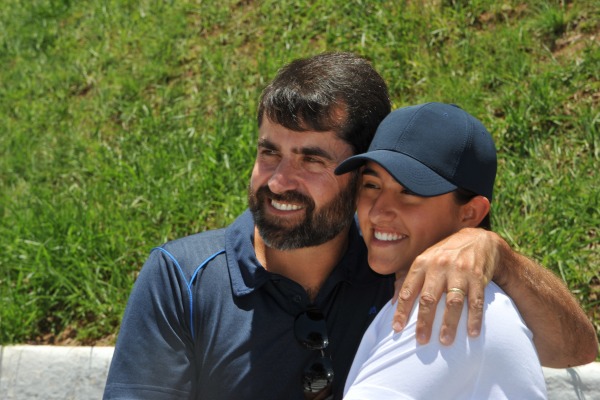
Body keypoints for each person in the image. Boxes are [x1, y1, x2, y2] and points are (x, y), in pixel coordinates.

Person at [103, 52, 597, 400]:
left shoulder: (401, 261)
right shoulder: (182, 279)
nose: (278, 181)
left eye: (311, 161)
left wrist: (497, 254)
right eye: (268, 152)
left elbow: (575, 350)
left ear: (358, 173)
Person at [337, 102, 546, 398]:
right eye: (371, 184)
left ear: (470, 213)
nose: (378, 212)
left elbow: (579, 350)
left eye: (409, 191)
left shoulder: (449, 310)